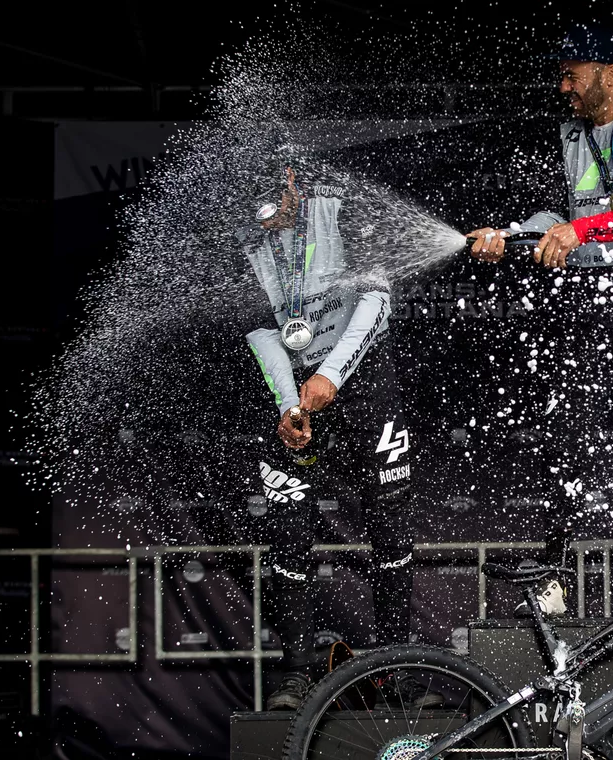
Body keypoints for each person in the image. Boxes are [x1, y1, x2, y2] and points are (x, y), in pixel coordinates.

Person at [465, 21, 613, 616]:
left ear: (609, 74)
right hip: (589, 291)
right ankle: (552, 576)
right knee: (568, 429)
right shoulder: (568, 134)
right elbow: (558, 219)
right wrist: (509, 235)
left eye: (573, 74)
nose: (563, 86)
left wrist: (576, 230)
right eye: (562, 75)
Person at [236, 164, 426, 711]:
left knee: (390, 520)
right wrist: (288, 404)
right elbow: (263, 331)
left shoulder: (342, 207)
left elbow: (378, 301)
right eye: (258, 218)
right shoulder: (246, 239)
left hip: (362, 375)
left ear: (291, 180)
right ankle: (295, 673)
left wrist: (332, 375)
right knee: (288, 522)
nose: (268, 226)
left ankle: (395, 666)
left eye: (275, 210)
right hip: (297, 387)